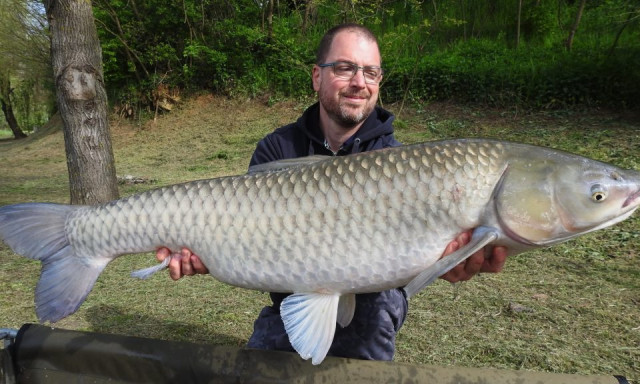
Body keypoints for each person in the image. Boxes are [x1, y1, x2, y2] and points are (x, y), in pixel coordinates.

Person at [156, 23, 507, 360]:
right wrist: (205, 251)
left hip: (372, 304)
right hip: (293, 291)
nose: (359, 82)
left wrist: (450, 262)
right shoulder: (277, 148)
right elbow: (251, 238)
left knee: (375, 312)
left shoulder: (398, 162)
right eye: (345, 68)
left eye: (371, 73)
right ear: (316, 76)